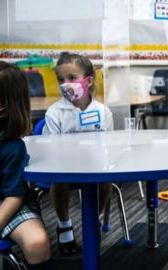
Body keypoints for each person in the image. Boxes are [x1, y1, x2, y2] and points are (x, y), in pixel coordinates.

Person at [0, 61, 52, 269]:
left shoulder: (12, 147)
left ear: (6, 109)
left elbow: (14, 196)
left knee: (37, 242)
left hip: (10, 203)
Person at [43, 52, 113, 256]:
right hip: (65, 165)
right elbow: (51, 150)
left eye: (72, 78)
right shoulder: (55, 113)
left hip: (94, 163)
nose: (65, 84)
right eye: (61, 79)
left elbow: (109, 144)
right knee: (59, 180)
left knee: (106, 181)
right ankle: (64, 224)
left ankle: (94, 219)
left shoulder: (102, 111)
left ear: (88, 81)